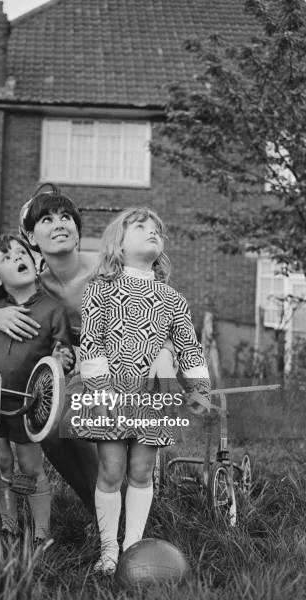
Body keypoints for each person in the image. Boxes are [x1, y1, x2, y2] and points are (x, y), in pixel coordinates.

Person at [0, 185, 177, 515]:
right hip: (76, 374)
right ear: (31, 239)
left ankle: (132, 490)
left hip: (127, 367)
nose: (59, 223)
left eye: (66, 218)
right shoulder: (34, 286)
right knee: (51, 429)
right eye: (46, 219)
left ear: (77, 233)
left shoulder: (109, 272)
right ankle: (100, 507)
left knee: (106, 422)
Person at [75, 208, 211, 573]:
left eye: (157, 230)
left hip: (152, 398)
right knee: (111, 469)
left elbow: (188, 347)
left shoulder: (173, 299)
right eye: (141, 228)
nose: (153, 232)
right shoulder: (99, 290)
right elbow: (91, 343)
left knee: (141, 469)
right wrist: (101, 392)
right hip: (111, 395)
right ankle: (108, 549)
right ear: (118, 243)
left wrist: (199, 388)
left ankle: (132, 545)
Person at [0, 234, 74, 543]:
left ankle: (41, 532)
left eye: (21, 253)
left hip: (28, 403)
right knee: (1, 460)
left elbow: (64, 352)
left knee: (29, 464)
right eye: (6, 258)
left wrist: (61, 358)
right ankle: (9, 523)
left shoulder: (52, 308)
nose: (17, 258)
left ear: (36, 263)